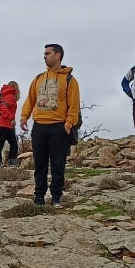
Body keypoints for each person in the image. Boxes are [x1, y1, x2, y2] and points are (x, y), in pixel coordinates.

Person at [20, 44, 80, 208]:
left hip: (58, 127)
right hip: (39, 127)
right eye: (44, 53)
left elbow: (74, 105)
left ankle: (56, 198)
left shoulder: (69, 80)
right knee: (39, 165)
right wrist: (24, 116)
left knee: (57, 165)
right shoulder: (39, 78)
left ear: (58, 55)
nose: (44, 56)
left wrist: (68, 124)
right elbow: (30, 99)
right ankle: (39, 197)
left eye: (48, 53)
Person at [0, 81, 21, 168]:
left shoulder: (4, 95)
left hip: (4, 124)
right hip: (3, 124)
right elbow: (3, 108)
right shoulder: (10, 96)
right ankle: (2, 162)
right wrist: (11, 118)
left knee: (3, 144)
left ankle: (2, 162)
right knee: (5, 144)